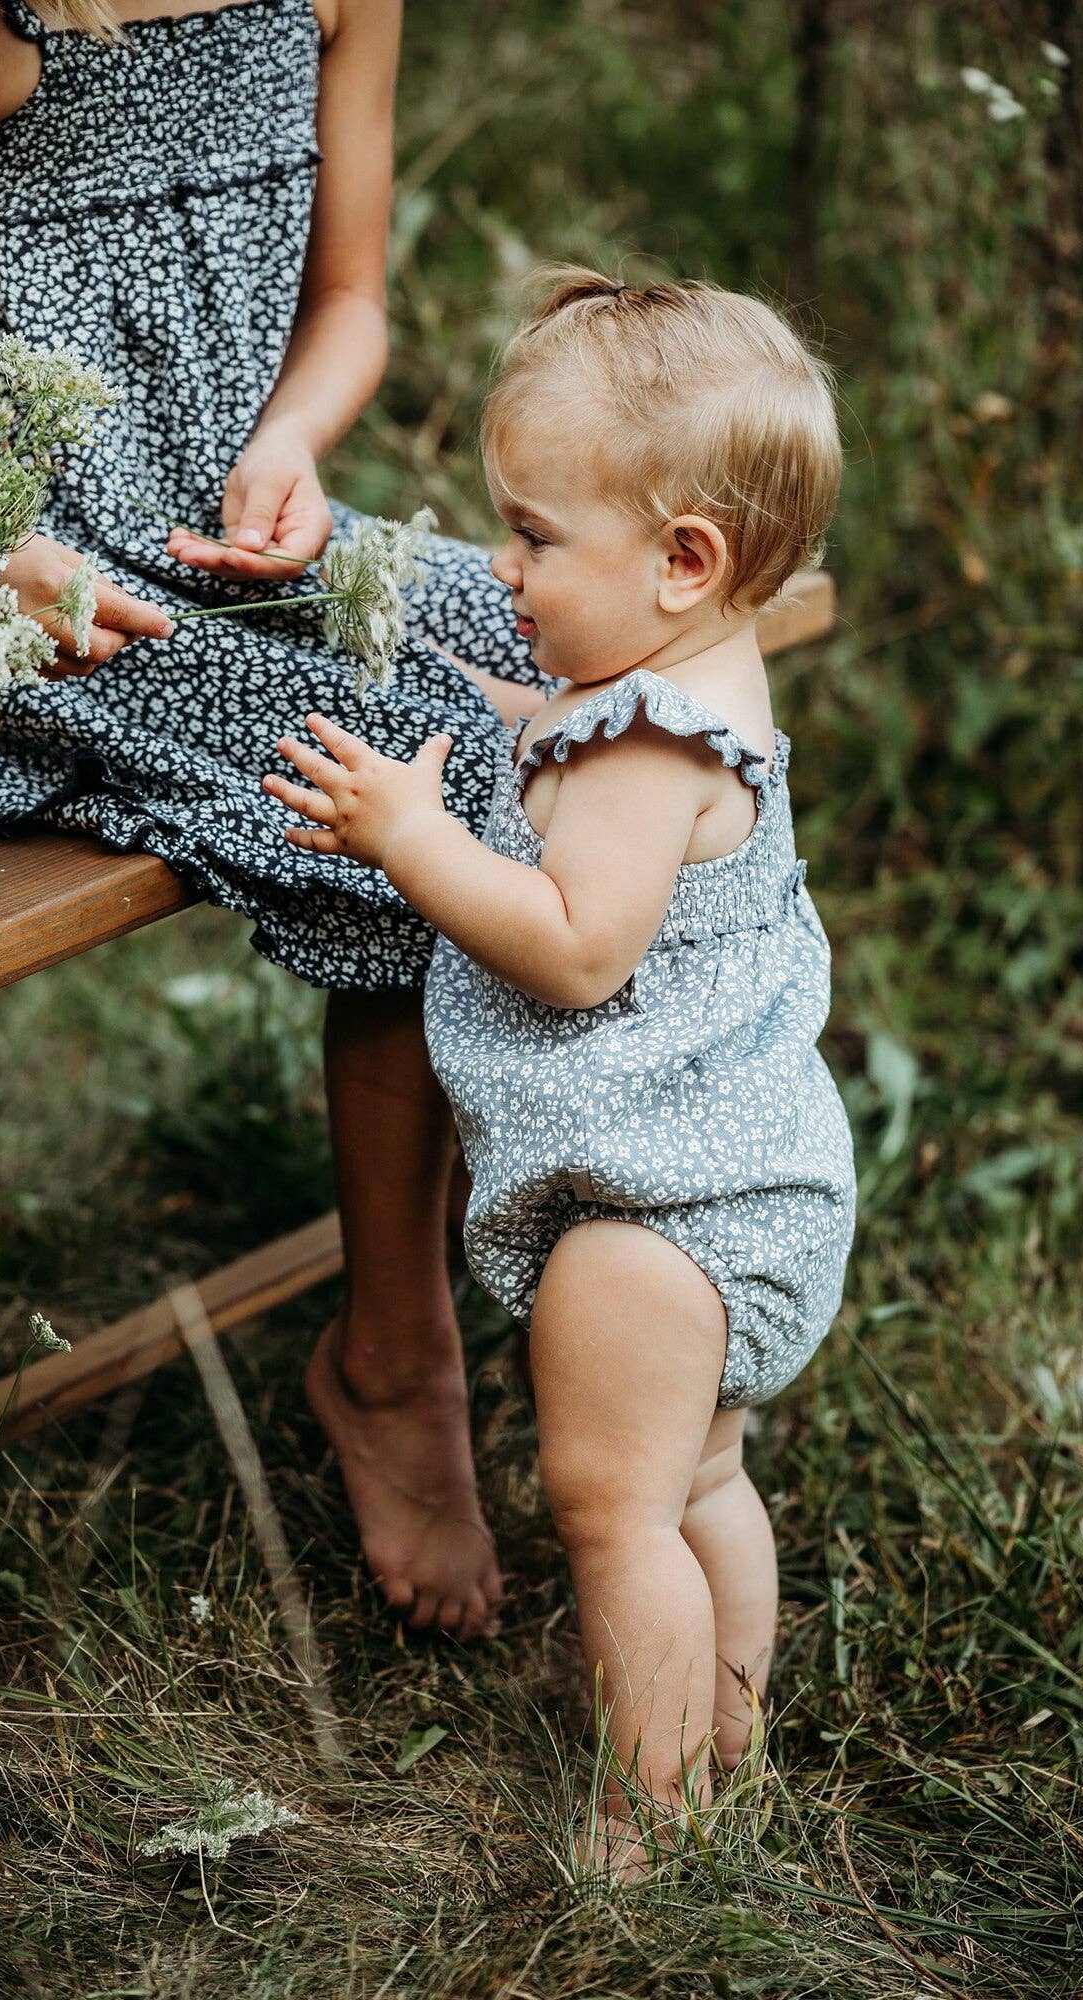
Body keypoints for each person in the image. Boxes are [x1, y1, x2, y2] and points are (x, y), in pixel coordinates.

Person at [0, 0, 541, 1638]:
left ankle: (642, 1228)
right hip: (34, 600)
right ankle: (395, 1358)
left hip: (237, 537)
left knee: (573, 666)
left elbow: (347, 301)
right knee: (424, 779)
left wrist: (293, 443)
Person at [264, 270, 857, 1868]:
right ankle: (727, 1732)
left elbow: (577, 943)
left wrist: (407, 836)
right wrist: (519, 712)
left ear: (684, 561)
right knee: (697, 1478)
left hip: (653, 1219)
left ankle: (645, 1818)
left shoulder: (643, 749)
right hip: (747, 1190)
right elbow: (581, 739)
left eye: (532, 539)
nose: (508, 568)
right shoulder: (689, 686)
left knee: (609, 1511)